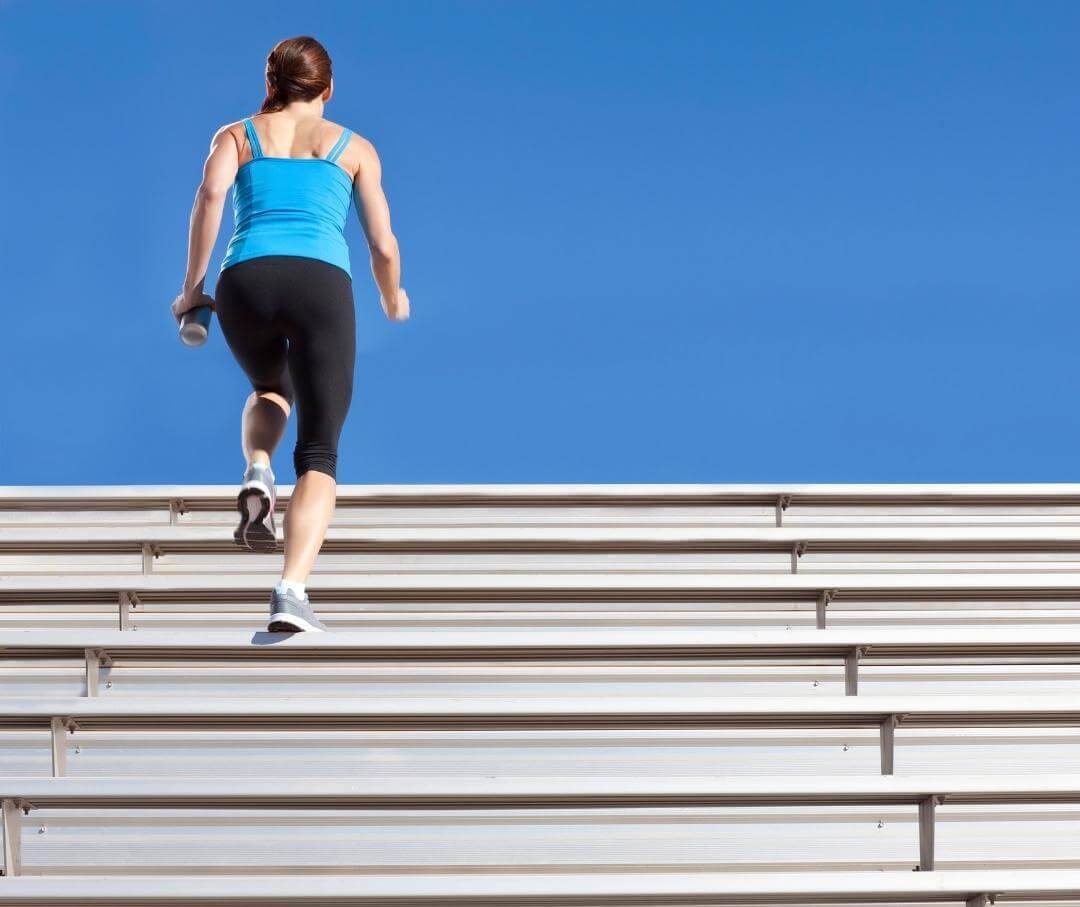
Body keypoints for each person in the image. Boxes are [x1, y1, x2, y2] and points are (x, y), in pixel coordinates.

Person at [171, 36, 409, 633]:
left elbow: (210, 197)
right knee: (320, 452)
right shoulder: (355, 148)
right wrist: (390, 294)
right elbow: (382, 244)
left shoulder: (236, 134)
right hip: (320, 284)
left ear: (270, 82)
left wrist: (193, 289)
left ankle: (256, 465)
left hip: (246, 279)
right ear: (327, 90)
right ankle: (291, 590)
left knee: (271, 388)